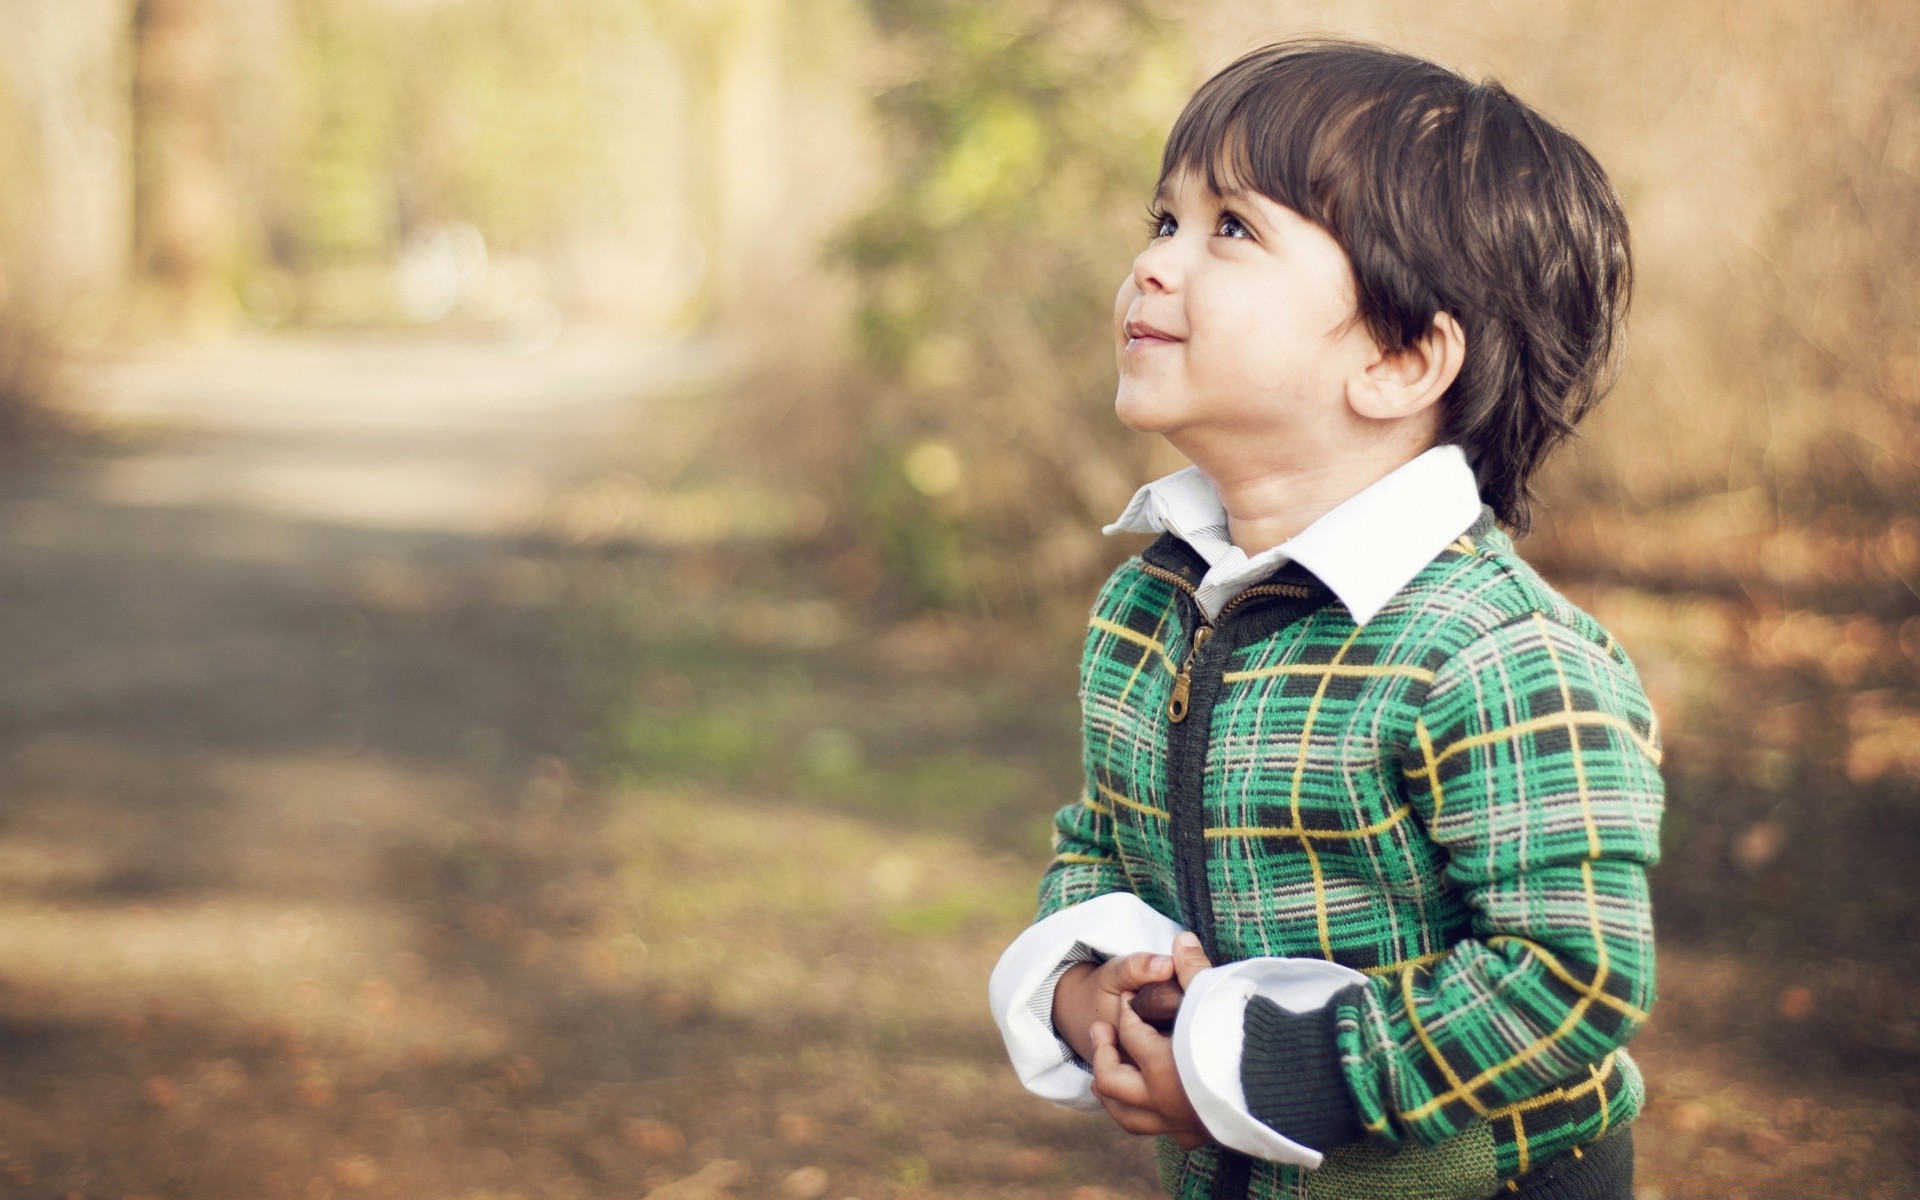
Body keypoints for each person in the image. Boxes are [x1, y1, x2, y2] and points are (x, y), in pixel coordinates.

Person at [986, 38, 1664, 1200]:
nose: (1153, 267)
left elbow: (1573, 973)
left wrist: (1261, 1068)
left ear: (1400, 358)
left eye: (1232, 230)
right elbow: (1100, 842)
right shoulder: (1151, 605)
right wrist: (1083, 979)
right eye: (1163, 222)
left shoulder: (1493, 653)